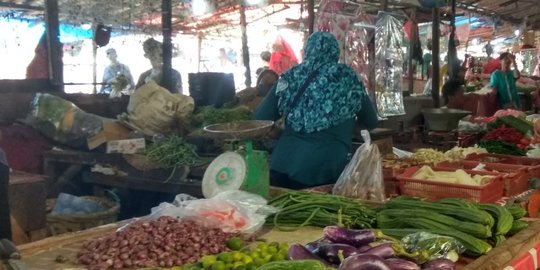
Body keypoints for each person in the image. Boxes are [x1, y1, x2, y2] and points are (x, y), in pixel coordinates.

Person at [253, 32, 378, 189]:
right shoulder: (347, 78)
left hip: (281, 165)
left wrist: (280, 132)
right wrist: (344, 124)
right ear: (335, 52)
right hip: (323, 169)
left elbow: (259, 120)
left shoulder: (289, 76)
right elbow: (371, 122)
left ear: (308, 51)